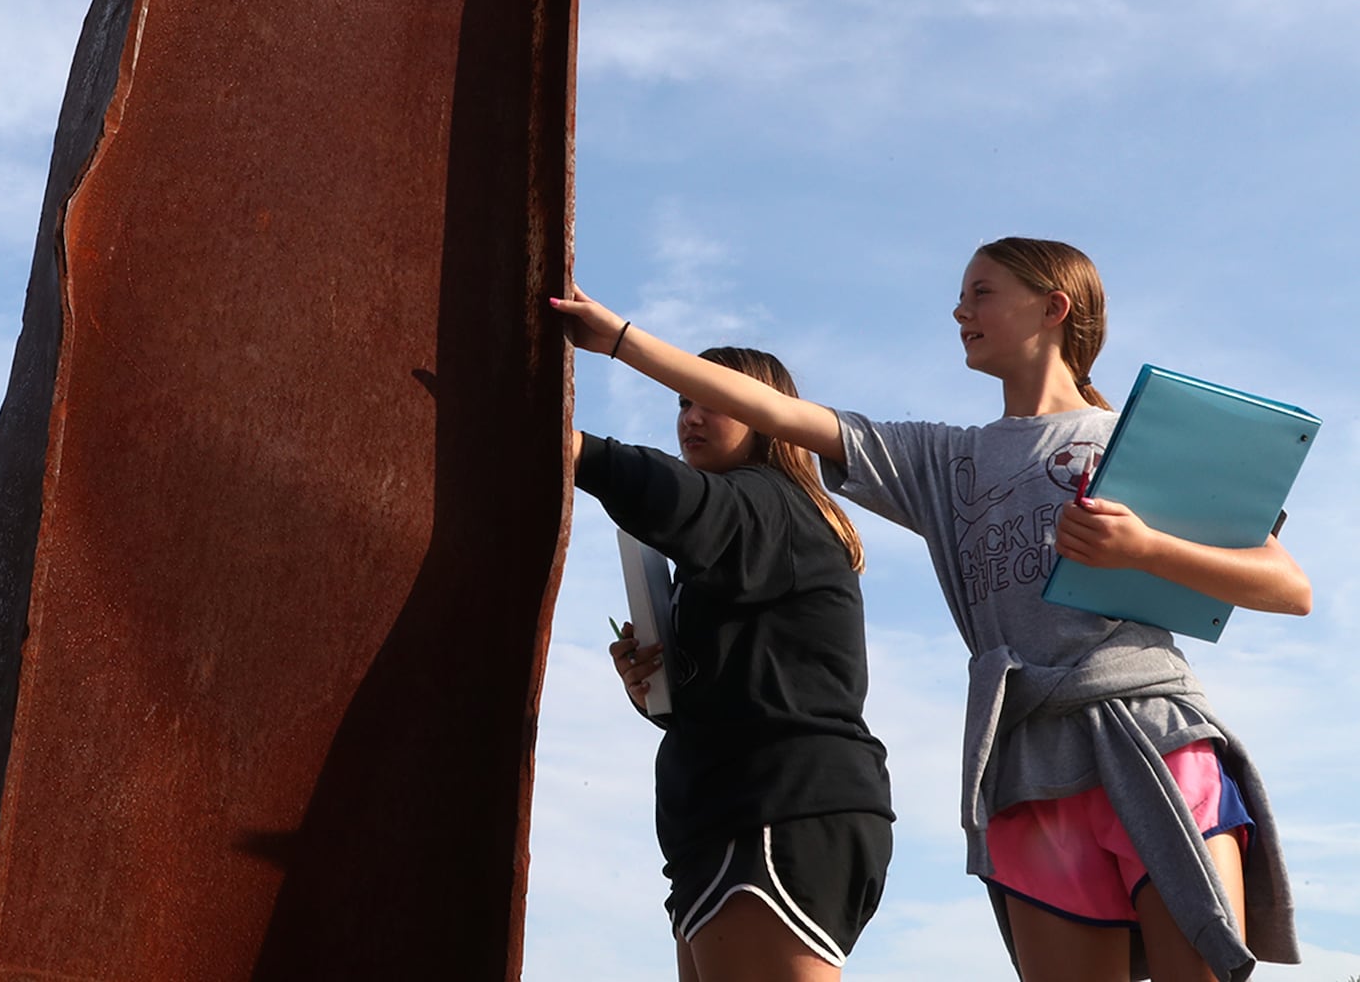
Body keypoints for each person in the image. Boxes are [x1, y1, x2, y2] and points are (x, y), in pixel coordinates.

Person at [551, 236, 1311, 982]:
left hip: (1150, 734)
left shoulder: (1134, 440)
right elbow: (782, 414)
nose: (959, 310)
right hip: (1025, 769)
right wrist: (620, 341)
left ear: (1053, 308)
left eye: (981, 292)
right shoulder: (947, 463)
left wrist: (1145, 548)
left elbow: (1288, 586)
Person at [570, 344, 894, 982]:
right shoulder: (760, 526)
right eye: (684, 402)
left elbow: (679, 500)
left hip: (771, 807)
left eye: (712, 401)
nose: (691, 416)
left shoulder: (768, 504)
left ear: (763, 413)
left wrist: (576, 449)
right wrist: (663, 691)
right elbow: (764, 682)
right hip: (743, 811)